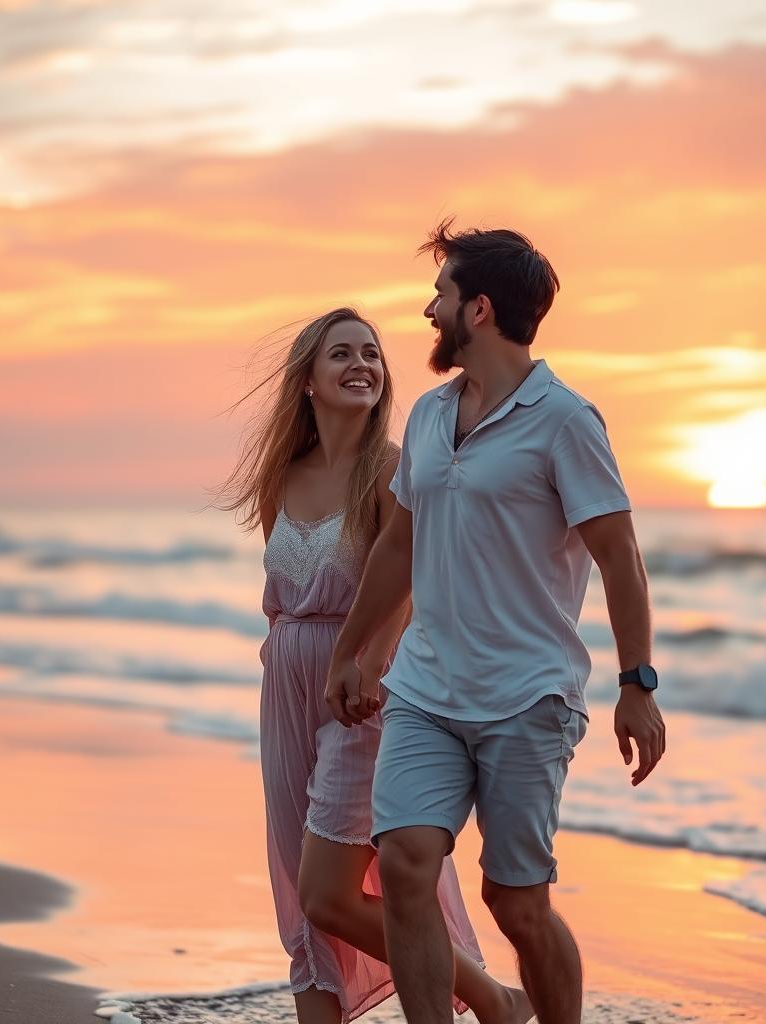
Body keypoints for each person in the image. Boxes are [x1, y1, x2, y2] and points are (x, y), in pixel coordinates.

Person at [326, 225, 667, 1024]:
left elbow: (621, 557)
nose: (427, 309)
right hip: (425, 690)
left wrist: (636, 685)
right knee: (407, 864)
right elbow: (400, 543)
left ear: (477, 311)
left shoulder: (566, 421)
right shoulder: (432, 416)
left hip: (528, 698)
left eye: (440, 296)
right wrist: (352, 652)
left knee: (516, 904)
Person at [213, 308, 533, 1024]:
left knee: (328, 888)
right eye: (342, 355)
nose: (362, 365)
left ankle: (490, 998)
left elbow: (410, 582)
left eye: (372, 354)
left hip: (364, 692)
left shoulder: (393, 468)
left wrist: (370, 661)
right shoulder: (281, 478)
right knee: (296, 885)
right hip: (286, 684)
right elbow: (283, 602)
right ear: (308, 381)